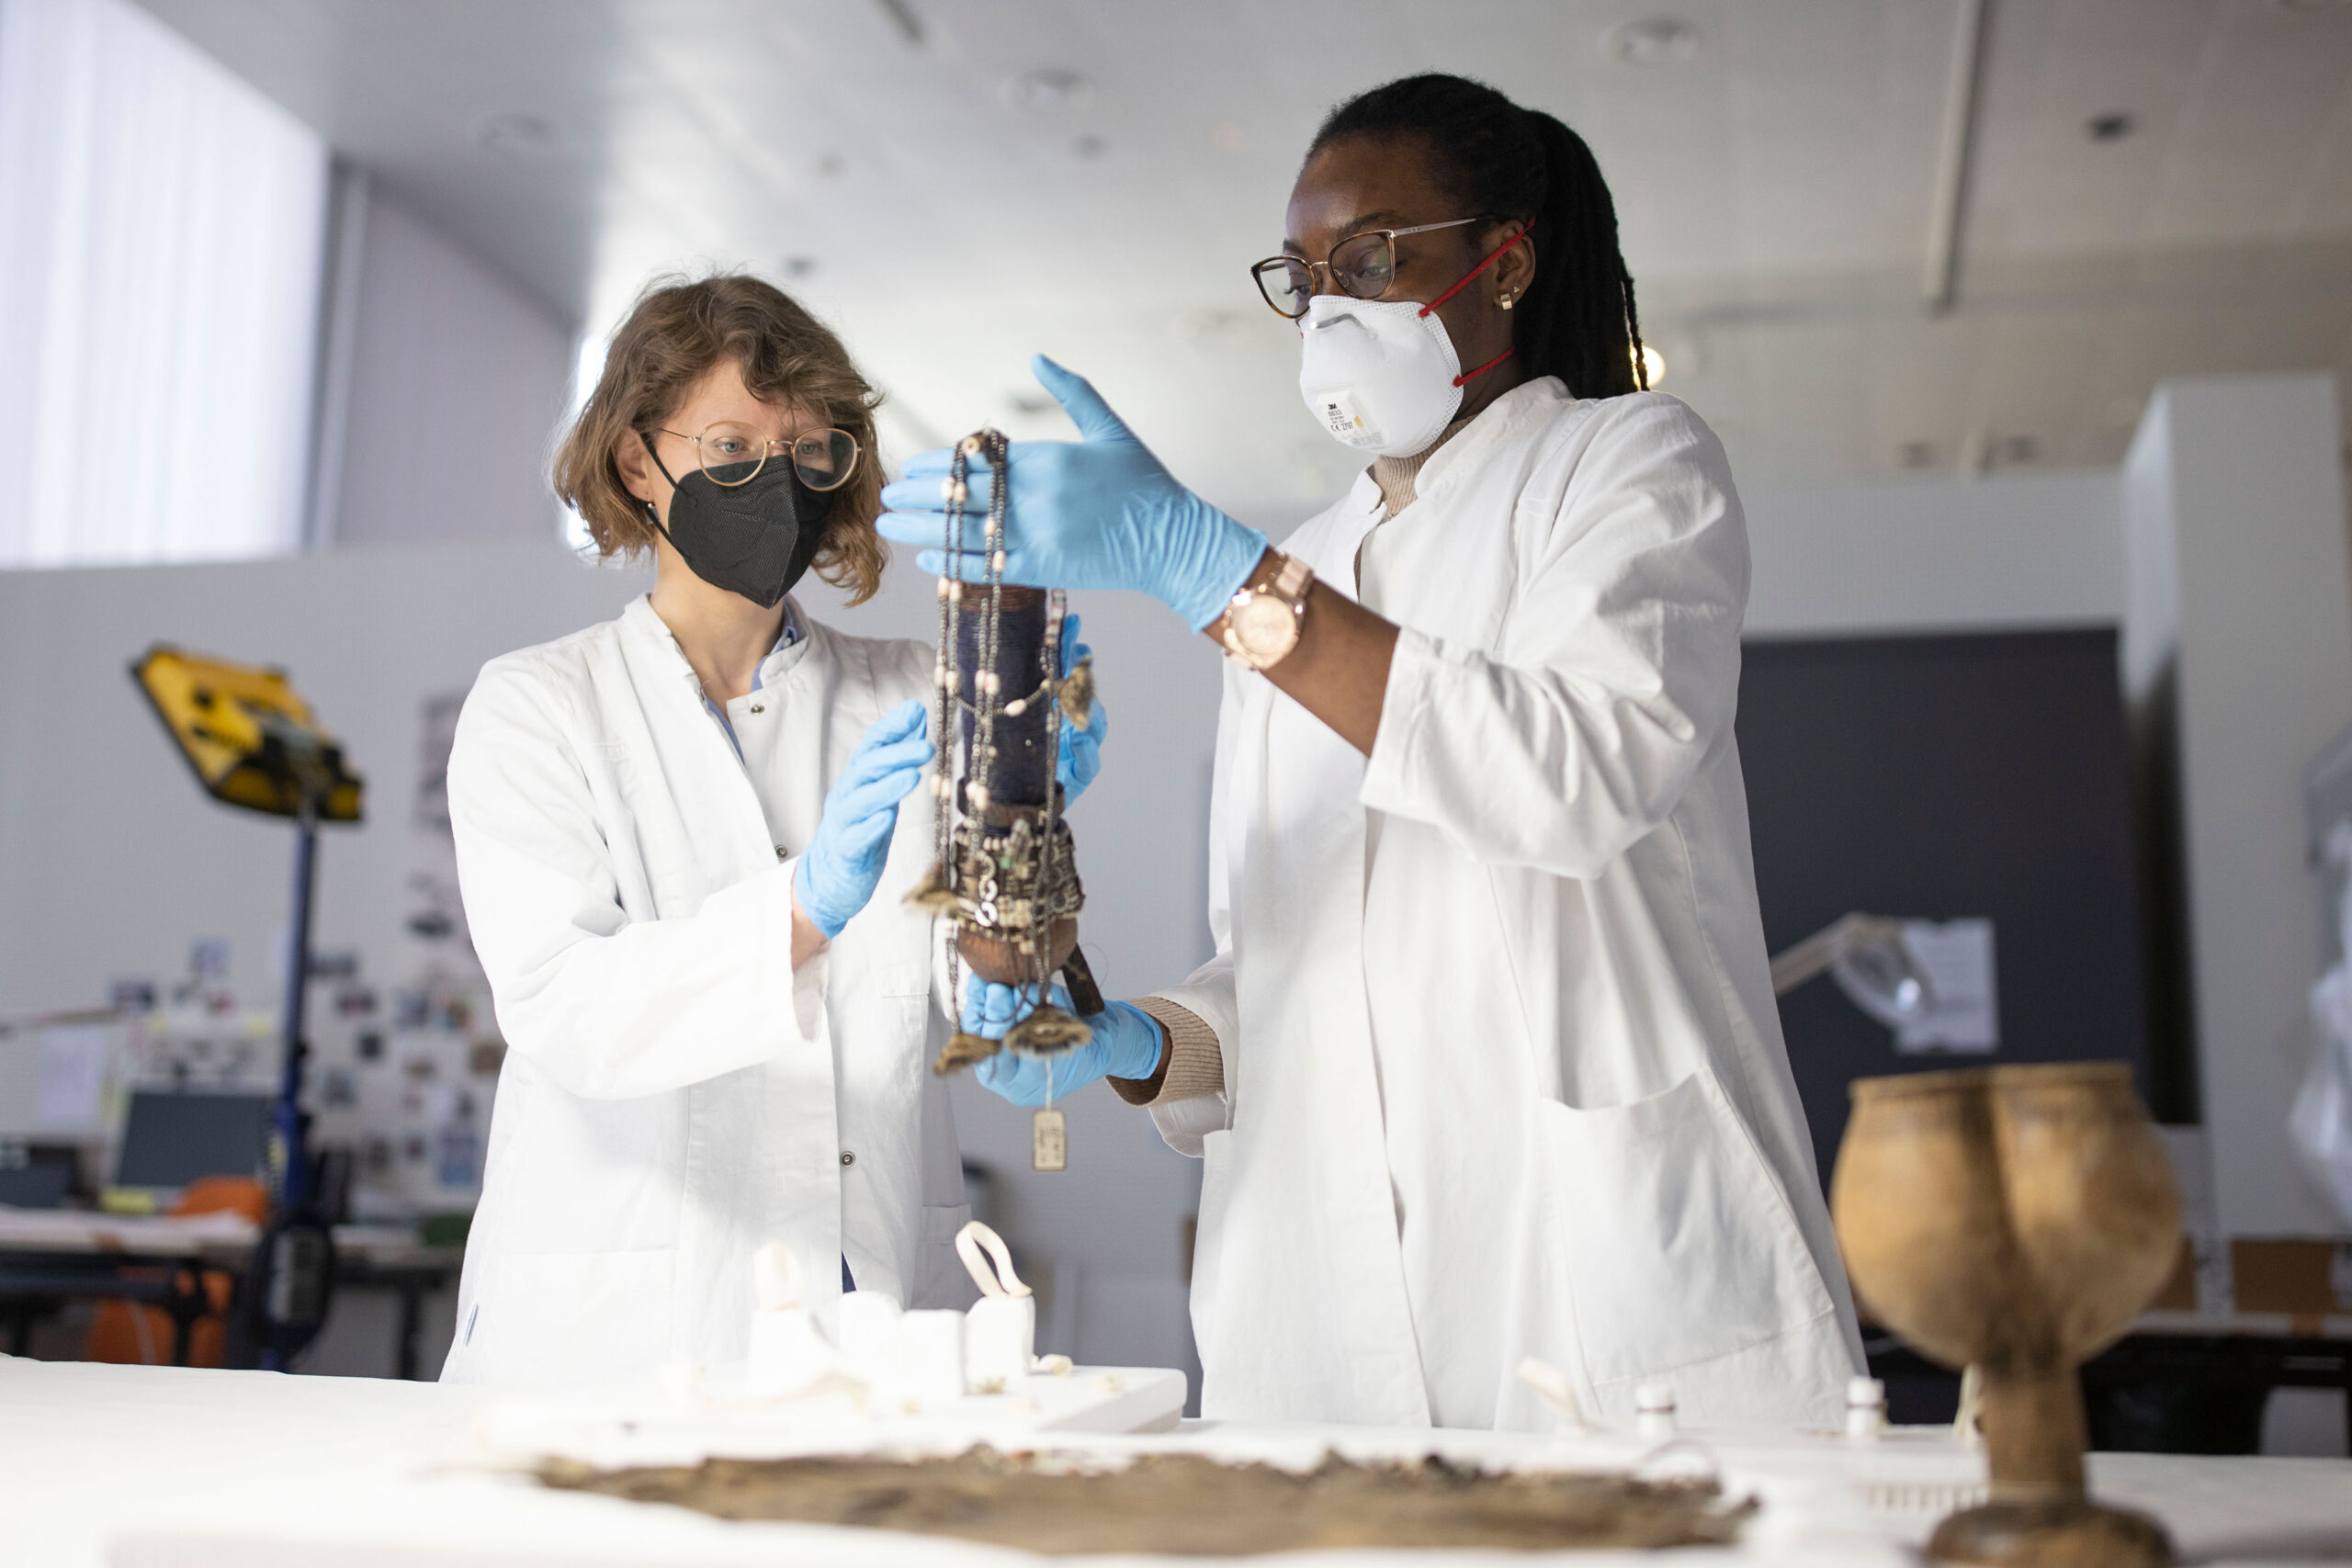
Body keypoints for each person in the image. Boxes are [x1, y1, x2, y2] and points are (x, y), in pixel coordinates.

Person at [881, 75, 1861, 1431]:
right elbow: (1282, 956)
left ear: (1502, 261)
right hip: (1321, 1307)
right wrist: (1139, 1039)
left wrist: (1207, 567)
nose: (1331, 302)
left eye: (1375, 257)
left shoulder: (1627, 467)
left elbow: (1571, 781)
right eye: (1307, 271)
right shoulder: (1309, 565)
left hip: (1590, 1282)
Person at [439, 274, 1102, 1386]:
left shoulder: (919, 695)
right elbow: (569, 1009)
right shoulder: (538, 705)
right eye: (732, 446)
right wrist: (801, 910)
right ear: (635, 463)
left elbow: (997, 1003)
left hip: (870, 1307)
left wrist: (1025, 812)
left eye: (809, 450)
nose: (777, 483)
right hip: (618, 1337)